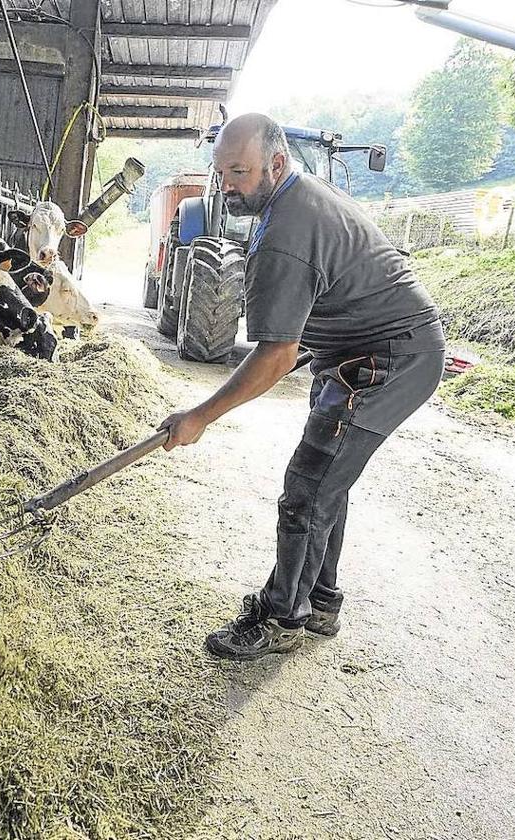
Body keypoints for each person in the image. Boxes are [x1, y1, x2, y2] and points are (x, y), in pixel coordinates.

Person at [159, 113, 445, 661]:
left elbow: (276, 354)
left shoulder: (286, 232)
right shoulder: (290, 203)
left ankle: (280, 617)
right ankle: (319, 600)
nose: (227, 186)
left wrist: (199, 415)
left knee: (308, 485)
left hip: (389, 358)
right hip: (362, 352)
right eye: (221, 173)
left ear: (277, 164)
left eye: (239, 171)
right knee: (326, 479)